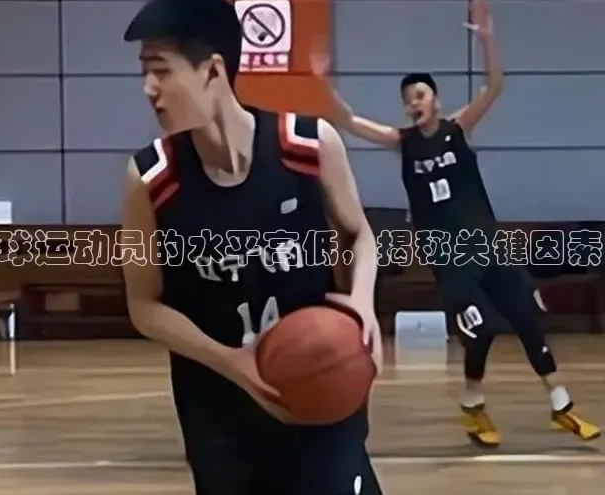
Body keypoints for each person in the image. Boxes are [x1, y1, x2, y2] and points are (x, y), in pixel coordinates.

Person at [120, 0, 383, 493]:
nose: (148, 88)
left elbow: (359, 235)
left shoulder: (308, 145)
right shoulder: (151, 178)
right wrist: (230, 361)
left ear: (212, 71)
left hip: (319, 389)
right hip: (219, 413)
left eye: (161, 71)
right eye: (144, 72)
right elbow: (144, 305)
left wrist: (362, 304)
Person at [313, 0, 599, 447]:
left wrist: (487, 41)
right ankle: (472, 402)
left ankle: (560, 405)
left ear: (435, 100)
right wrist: (322, 83)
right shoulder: (402, 142)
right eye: (408, 99)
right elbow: (347, 121)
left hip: (488, 248)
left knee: (526, 319)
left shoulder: (457, 129)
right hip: (451, 260)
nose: (414, 103)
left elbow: (494, 86)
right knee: (479, 331)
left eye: (420, 95)